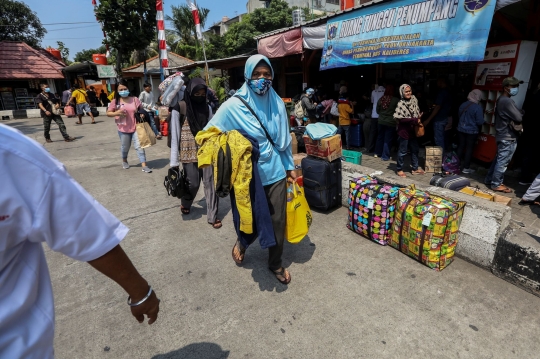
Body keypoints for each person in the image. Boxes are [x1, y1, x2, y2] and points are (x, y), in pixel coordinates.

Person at [0, 124, 160, 358]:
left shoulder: (10, 153)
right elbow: (85, 230)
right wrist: (141, 293)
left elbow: (82, 228)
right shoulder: (12, 152)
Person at [204, 54, 295, 285]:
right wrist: (235, 143)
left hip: (275, 171)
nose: (262, 79)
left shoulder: (276, 101)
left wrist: (289, 167)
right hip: (247, 176)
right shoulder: (232, 106)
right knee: (250, 218)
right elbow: (206, 135)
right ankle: (242, 243)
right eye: (256, 74)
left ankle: (275, 263)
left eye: (266, 75)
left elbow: (282, 140)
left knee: (277, 221)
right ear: (247, 75)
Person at [169, 78, 221, 228]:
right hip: (187, 152)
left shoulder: (208, 108)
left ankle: (213, 216)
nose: (199, 96)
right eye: (196, 93)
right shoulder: (179, 108)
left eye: (202, 93)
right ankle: (186, 202)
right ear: (190, 92)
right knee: (192, 183)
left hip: (206, 151)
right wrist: (173, 163)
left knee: (210, 183)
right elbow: (175, 136)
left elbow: (212, 131)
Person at [484, 77, 524, 193]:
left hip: (502, 135)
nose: (516, 89)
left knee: (498, 160)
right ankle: (496, 184)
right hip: (507, 136)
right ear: (506, 88)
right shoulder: (507, 101)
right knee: (503, 162)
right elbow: (518, 117)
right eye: (514, 86)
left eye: (517, 86)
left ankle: (490, 179)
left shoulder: (501, 99)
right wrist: (520, 112)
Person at [106, 79, 153, 173]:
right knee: (125, 147)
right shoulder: (115, 101)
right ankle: (124, 160)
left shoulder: (135, 99)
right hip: (123, 129)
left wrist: (142, 114)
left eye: (125, 88)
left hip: (136, 127)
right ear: (117, 91)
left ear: (128, 89)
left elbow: (141, 110)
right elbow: (108, 113)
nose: (123, 91)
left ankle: (144, 165)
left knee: (139, 146)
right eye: (121, 89)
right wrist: (117, 112)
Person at [394, 84, 425, 177]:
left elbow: (416, 112)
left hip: (413, 131)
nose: (408, 93)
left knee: (415, 150)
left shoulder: (414, 100)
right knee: (402, 151)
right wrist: (414, 120)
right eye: (406, 92)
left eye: (409, 91)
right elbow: (400, 119)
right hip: (404, 131)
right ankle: (399, 169)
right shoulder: (400, 104)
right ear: (402, 93)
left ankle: (415, 168)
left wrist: (418, 117)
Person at [456, 89, 486, 174]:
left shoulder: (463, 104)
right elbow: (479, 121)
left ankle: (456, 165)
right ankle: (466, 168)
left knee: (460, 146)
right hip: (472, 131)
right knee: (469, 149)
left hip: (460, 129)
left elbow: (459, 115)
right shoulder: (478, 107)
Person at [423, 78, 451, 150]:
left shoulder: (442, 92)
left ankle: (440, 159)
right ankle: (443, 157)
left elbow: (438, 107)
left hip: (440, 119)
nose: (437, 84)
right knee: (442, 138)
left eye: (438, 82)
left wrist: (428, 120)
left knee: (439, 140)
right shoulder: (448, 91)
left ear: (441, 82)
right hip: (445, 118)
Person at [375, 85, 399, 161]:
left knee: (380, 137)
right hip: (391, 122)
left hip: (381, 121)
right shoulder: (395, 100)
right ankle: (385, 156)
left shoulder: (381, 99)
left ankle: (377, 153)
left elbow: (377, 111)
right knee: (387, 139)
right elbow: (398, 111)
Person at [367, 84, 385, 154]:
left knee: (372, 132)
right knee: (380, 133)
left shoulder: (373, 91)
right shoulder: (385, 91)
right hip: (381, 115)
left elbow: (372, 101)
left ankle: (370, 148)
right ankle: (378, 150)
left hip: (374, 114)